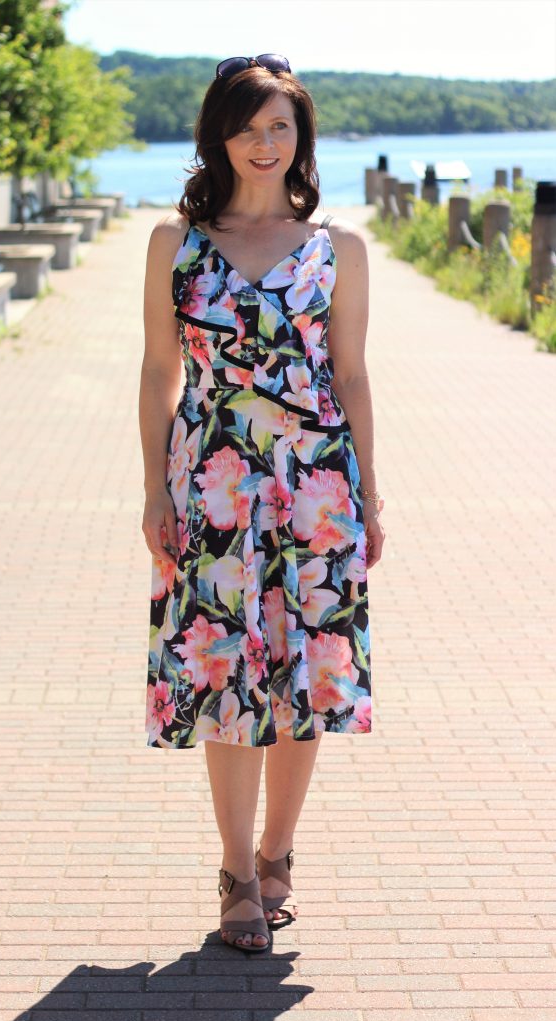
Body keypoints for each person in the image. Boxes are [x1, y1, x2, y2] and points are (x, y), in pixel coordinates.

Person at [139, 53, 385, 953]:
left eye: (280, 126)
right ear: (218, 135)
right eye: (248, 126)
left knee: (305, 674)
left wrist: (371, 496)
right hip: (209, 482)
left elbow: (350, 375)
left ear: (300, 140)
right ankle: (236, 871)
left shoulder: (338, 250)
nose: (264, 142)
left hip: (314, 486)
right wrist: (154, 489)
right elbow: (161, 371)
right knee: (220, 675)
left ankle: (280, 850)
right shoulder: (176, 243)